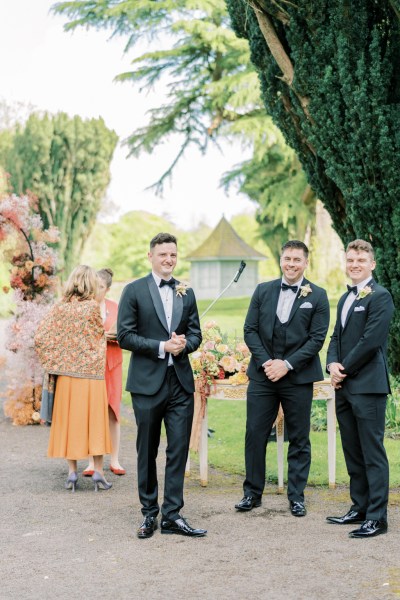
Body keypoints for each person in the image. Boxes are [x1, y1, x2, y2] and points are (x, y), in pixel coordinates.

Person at [117, 232, 206, 538]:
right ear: (150, 256)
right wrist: (161, 346)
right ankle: (148, 513)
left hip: (180, 383)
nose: (169, 260)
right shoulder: (133, 291)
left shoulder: (186, 291)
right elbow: (125, 336)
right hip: (147, 384)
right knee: (147, 449)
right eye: (163, 254)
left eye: (173, 255)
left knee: (179, 449)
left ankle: (172, 514)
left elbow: (196, 334)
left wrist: (185, 345)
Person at [235, 240, 330, 517]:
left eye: (297, 260)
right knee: (255, 434)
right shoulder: (263, 291)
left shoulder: (319, 296)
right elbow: (249, 329)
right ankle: (252, 493)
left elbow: (316, 339)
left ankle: (297, 496)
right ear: (280, 260)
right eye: (287, 258)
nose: (291, 264)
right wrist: (268, 362)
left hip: (298, 377)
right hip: (263, 376)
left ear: (305, 263)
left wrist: (287, 364)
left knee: (299, 437)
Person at [326, 239, 394, 538]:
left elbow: (371, 341)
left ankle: (377, 517)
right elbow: (336, 337)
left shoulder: (380, 296)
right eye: (350, 259)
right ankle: (360, 507)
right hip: (344, 385)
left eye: (360, 260)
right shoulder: (345, 298)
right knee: (352, 450)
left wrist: (344, 368)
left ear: (372, 264)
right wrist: (331, 364)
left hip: (368, 386)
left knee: (372, 452)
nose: (354, 264)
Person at [35, 265, 112, 492]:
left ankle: (71, 474)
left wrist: (55, 359)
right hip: (92, 376)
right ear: (90, 283)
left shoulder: (60, 308)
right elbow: (99, 338)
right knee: (95, 422)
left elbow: (41, 336)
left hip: (67, 377)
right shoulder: (91, 308)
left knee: (70, 423)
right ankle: (98, 471)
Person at [83, 268, 125, 477]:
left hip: (112, 363)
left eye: (100, 286)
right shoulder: (83, 308)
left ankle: (114, 459)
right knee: (92, 412)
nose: (95, 290)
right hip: (91, 366)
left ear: (107, 289)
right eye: (93, 285)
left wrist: (114, 336)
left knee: (113, 412)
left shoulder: (116, 308)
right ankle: (91, 461)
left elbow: (127, 334)